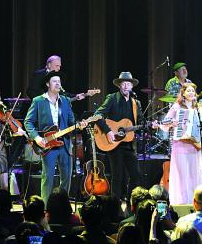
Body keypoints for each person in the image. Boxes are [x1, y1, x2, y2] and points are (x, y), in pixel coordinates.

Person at [24, 71, 87, 205]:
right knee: (48, 178)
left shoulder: (65, 101)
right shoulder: (38, 101)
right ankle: (46, 208)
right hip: (48, 144)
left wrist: (79, 125)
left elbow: (71, 121)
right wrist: (36, 138)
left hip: (64, 143)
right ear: (48, 84)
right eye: (54, 81)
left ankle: (63, 207)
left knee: (67, 177)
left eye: (59, 81)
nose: (58, 83)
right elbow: (28, 122)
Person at [94, 72, 143, 201]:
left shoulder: (136, 103)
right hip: (114, 143)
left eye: (129, 83)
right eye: (123, 83)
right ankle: (114, 207)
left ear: (132, 86)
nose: (126, 86)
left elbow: (141, 122)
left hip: (128, 144)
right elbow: (97, 114)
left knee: (136, 175)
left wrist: (151, 124)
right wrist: (108, 131)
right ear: (119, 85)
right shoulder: (112, 98)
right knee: (118, 176)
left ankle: (131, 202)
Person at [157, 82, 202, 204]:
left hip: (194, 146)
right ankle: (182, 202)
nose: (191, 93)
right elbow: (164, 124)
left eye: (193, 91)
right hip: (181, 145)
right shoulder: (177, 107)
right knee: (182, 176)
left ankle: (196, 201)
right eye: (188, 91)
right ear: (183, 93)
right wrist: (172, 123)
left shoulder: (198, 108)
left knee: (194, 174)